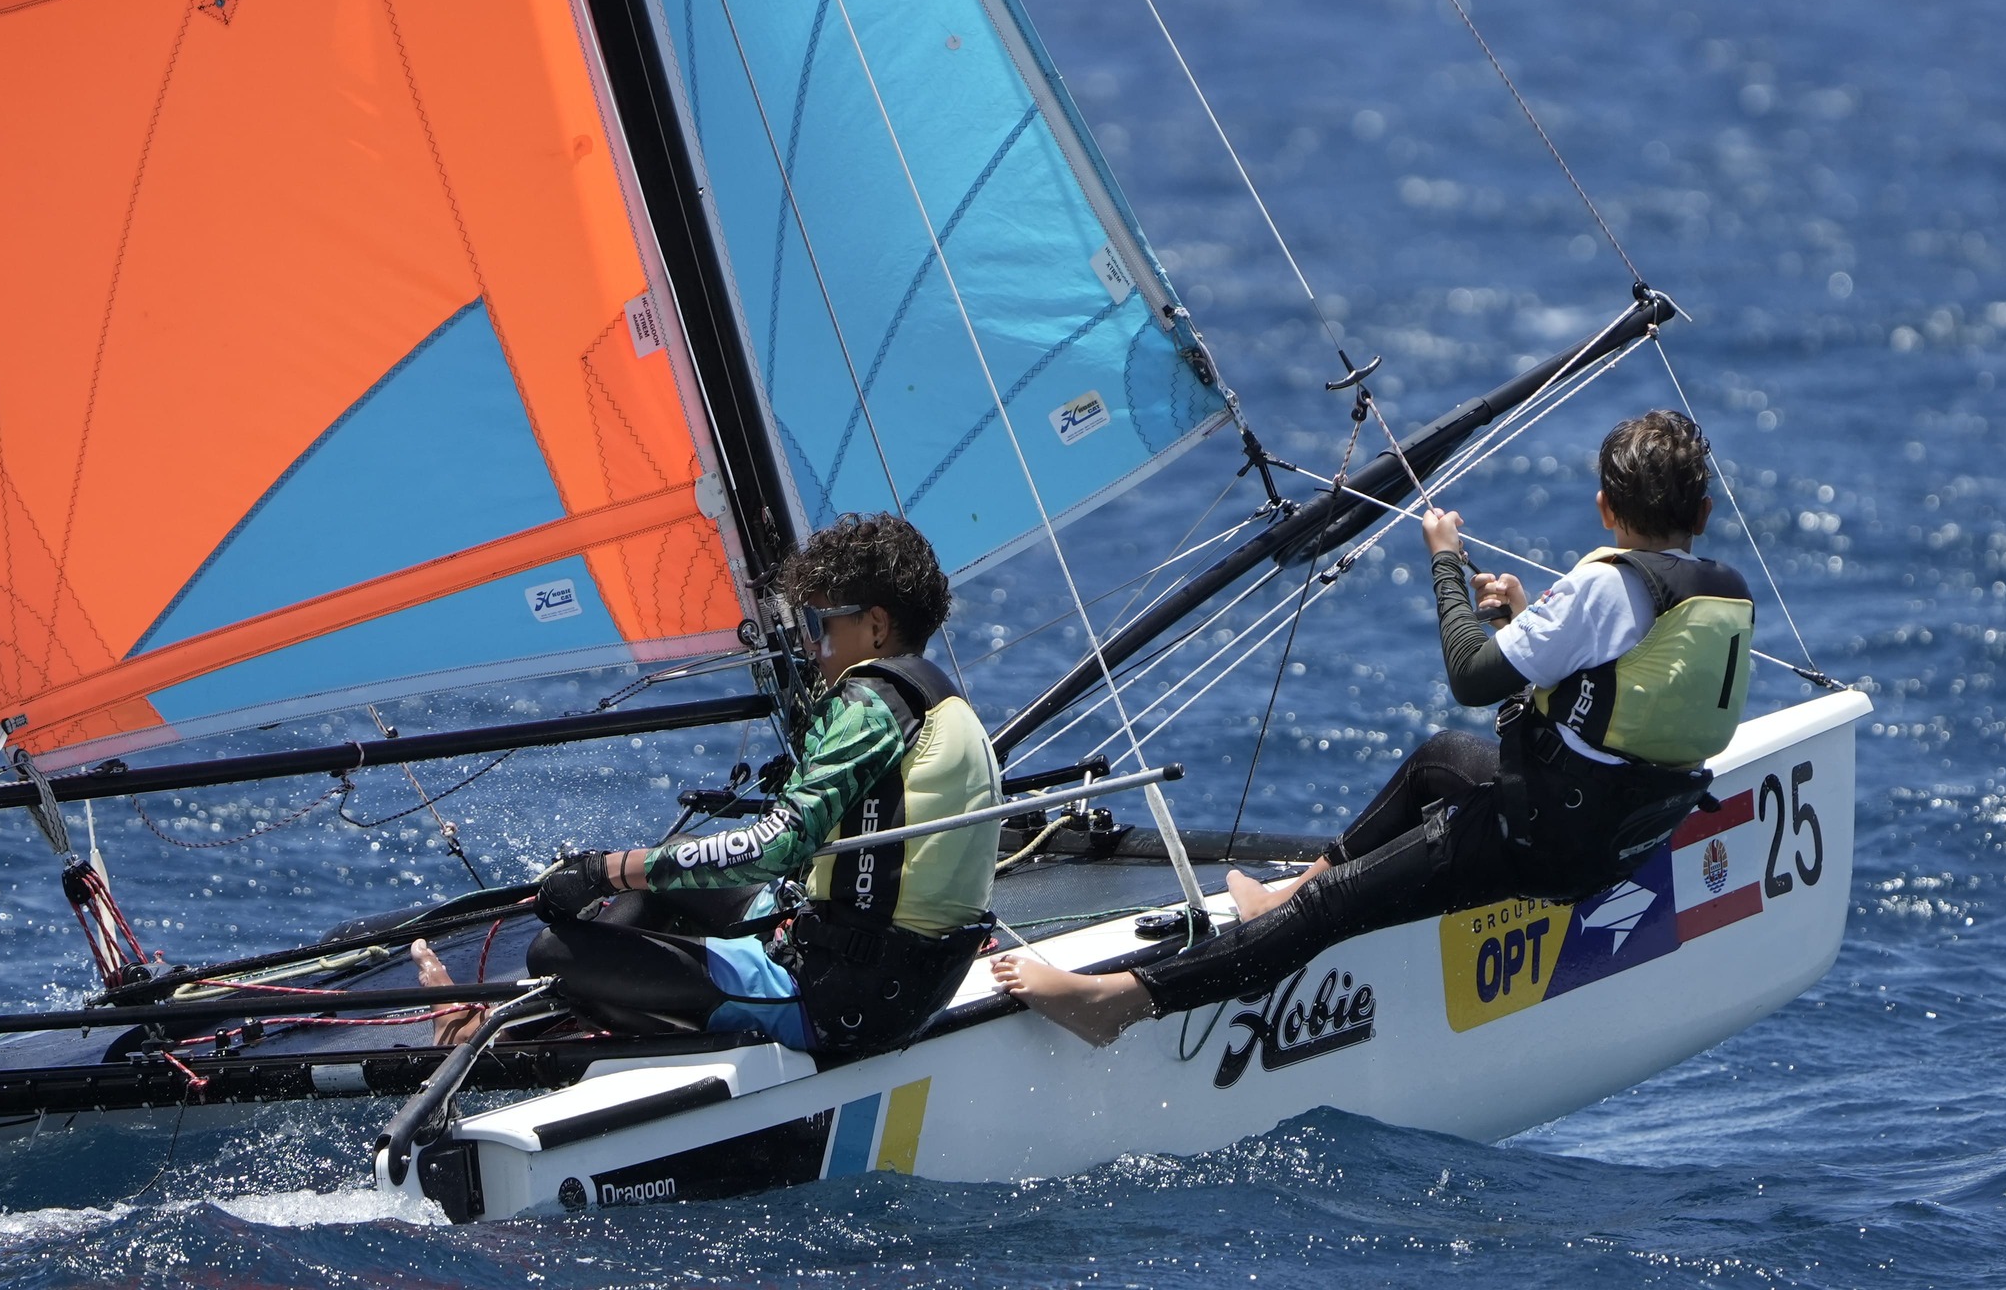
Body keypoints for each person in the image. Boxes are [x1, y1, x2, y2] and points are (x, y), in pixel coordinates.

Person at [992, 409, 1755, 1045]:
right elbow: (1614, 700)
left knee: (1333, 911)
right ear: (1702, 515)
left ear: (1605, 508)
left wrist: (1445, 563)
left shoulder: (1604, 587)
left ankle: (1119, 1002)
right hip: (1619, 832)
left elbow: (1471, 676)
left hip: (1542, 835)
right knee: (1440, 759)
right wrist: (1521, 621)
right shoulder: (1717, 595)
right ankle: (1288, 893)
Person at [416, 513, 1000, 1053]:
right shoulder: (932, 698)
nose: (809, 644)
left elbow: (773, 847)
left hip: (840, 1000)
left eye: (818, 623)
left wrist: (601, 871)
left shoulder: (866, 703)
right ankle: (613, 998)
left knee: (557, 952)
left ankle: (484, 1038)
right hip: (902, 979)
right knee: (665, 871)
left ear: (875, 626)